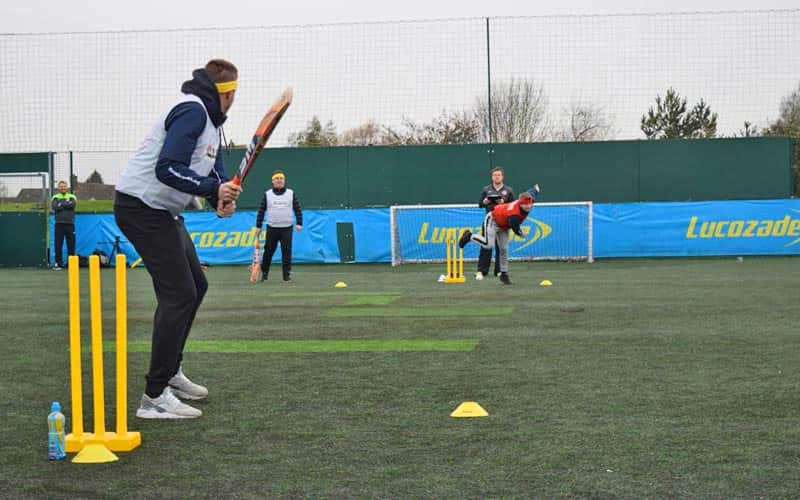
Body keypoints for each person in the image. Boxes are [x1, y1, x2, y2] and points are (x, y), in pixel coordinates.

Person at [113, 59, 243, 419]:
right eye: (234, 92)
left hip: (163, 211)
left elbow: (213, 174)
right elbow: (167, 167)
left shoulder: (213, 126)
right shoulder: (192, 111)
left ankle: (170, 372)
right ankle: (154, 396)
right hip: (140, 206)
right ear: (226, 93)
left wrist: (220, 196)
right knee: (180, 294)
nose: (235, 99)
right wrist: (213, 187)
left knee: (196, 286)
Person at [459, 187, 538, 285]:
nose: (528, 206)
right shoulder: (515, 214)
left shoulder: (529, 199)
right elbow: (515, 227)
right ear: (520, 203)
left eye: (530, 204)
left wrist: (536, 188)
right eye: (525, 205)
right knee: (488, 245)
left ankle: (504, 274)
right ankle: (469, 236)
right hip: (493, 219)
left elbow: (531, 192)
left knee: (504, 249)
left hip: (504, 224)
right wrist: (521, 234)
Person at [254, 170, 303, 282]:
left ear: (284, 180)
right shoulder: (267, 194)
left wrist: (299, 223)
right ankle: (264, 274)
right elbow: (261, 210)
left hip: (287, 228)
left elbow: (297, 209)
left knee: (286, 252)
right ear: (273, 181)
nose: (279, 180)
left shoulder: (291, 193)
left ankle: (286, 275)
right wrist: (258, 226)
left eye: (281, 178)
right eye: (277, 178)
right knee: (268, 252)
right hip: (272, 228)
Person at [476, 167, 515, 280]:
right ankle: (482, 271)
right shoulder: (486, 189)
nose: (496, 177)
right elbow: (480, 204)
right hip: (489, 221)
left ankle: (499, 271)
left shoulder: (508, 190)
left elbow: (513, 206)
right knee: (486, 245)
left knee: (501, 247)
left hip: (503, 221)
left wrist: (504, 202)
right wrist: (484, 202)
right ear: (492, 177)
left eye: (498, 175)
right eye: (494, 175)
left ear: (502, 177)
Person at [51, 180, 77, 270]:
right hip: (59, 224)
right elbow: (55, 207)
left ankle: (71, 264)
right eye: (61, 186)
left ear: (67, 187)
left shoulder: (72, 196)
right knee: (58, 245)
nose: (63, 188)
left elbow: (72, 205)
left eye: (64, 186)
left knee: (71, 244)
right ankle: (58, 264)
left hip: (70, 224)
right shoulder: (55, 197)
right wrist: (66, 203)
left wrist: (61, 204)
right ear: (58, 188)